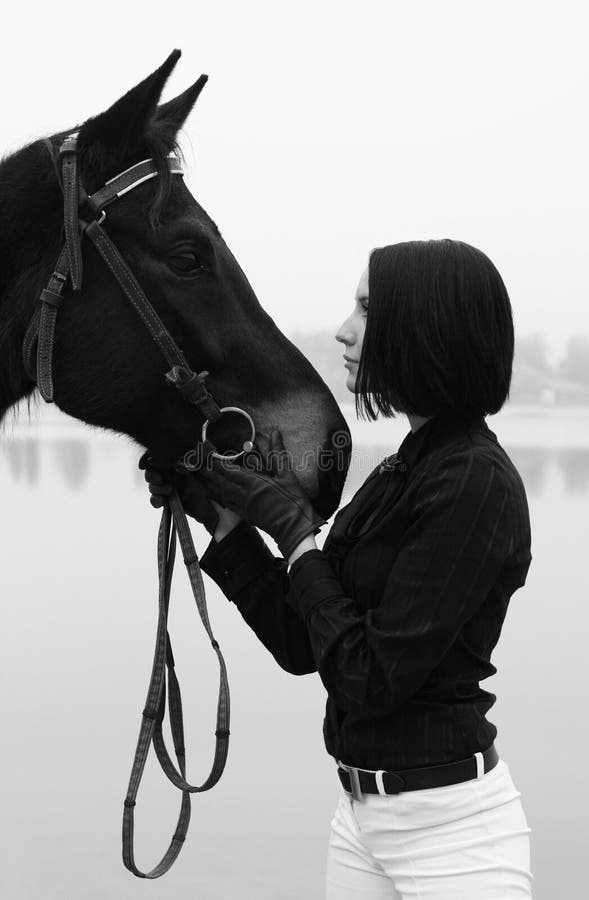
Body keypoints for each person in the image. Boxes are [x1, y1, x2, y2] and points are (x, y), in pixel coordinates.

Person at [143, 239, 534, 899]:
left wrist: (294, 532)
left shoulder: (473, 482)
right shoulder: (405, 469)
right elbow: (307, 646)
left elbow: (368, 679)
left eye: (364, 310)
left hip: (452, 840)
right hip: (359, 821)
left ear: (421, 325)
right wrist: (226, 524)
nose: (344, 331)